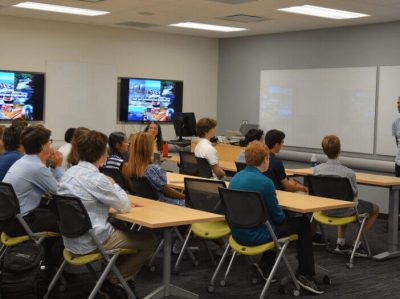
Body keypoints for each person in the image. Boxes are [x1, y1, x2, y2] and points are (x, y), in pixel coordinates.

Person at [57, 130, 156, 296]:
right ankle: (115, 279)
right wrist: (113, 184)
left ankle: (116, 277)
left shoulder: (69, 173)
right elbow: (124, 206)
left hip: (70, 240)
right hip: (93, 241)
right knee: (149, 241)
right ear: (102, 153)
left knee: (125, 233)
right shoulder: (97, 179)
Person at [229, 141, 323, 294]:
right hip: (259, 235)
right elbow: (279, 218)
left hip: (237, 233)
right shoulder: (265, 182)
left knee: (271, 221)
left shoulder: (236, 178)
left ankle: (265, 265)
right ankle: (306, 275)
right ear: (266, 159)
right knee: (304, 224)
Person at [1, 125, 64, 268]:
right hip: (19, 224)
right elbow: (61, 192)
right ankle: (49, 267)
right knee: (67, 225)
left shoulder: (23, 161)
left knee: (52, 215)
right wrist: (59, 166)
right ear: (43, 146)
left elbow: (47, 181)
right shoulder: (36, 167)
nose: (50, 145)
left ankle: (45, 263)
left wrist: (51, 166)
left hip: (8, 221)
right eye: (49, 142)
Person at [314, 135, 379, 256]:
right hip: (345, 211)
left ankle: (341, 243)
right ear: (340, 150)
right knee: (374, 208)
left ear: (324, 151)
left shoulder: (317, 170)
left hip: (324, 210)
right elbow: (354, 195)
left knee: (340, 201)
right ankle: (357, 244)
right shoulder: (348, 173)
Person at [123, 132, 185, 206]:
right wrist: (185, 196)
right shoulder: (153, 169)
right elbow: (167, 191)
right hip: (164, 204)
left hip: (147, 203)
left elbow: (133, 189)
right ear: (148, 148)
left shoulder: (129, 167)